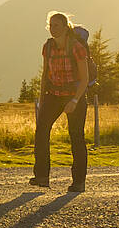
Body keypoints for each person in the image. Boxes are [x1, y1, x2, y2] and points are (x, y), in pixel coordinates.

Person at [32, 11, 91, 192]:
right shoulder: (47, 47)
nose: (53, 29)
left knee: (76, 137)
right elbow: (44, 75)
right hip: (54, 95)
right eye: (50, 25)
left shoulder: (76, 48)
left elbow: (85, 78)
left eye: (56, 26)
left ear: (66, 28)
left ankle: (78, 182)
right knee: (42, 131)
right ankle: (42, 176)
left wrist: (74, 100)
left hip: (75, 95)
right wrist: (42, 100)